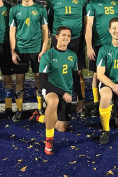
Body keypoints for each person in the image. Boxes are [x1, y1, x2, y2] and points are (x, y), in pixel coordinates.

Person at [29, 26, 81, 155]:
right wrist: (62, 93)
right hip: (51, 90)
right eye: (63, 35)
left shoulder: (72, 56)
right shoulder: (48, 55)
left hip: (66, 92)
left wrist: (81, 98)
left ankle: (39, 117)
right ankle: (49, 140)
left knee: (61, 128)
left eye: (69, 36)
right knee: (53, 100)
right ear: (56, 37)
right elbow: (43, 82)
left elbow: (76, 79)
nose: (66, 38)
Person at [47, 0, 88, 116]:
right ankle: (58, 100)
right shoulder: (53, 1)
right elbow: (50, 20)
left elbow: (85, 20)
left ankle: (80, 101)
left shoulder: (81, 0)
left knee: (78, 72)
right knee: (56, 72)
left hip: (76, 40)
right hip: (58, 41)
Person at [9, 0, 49, 122]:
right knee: (20, 80)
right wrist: (13, 51)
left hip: (37, 50)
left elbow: (45, 31)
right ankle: (19, 110)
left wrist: (44, 49)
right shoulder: (14, 10)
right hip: (21, 50)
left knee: (39, 79)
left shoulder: (40, 9)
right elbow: (12, 32)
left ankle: (40, 108)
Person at [85, 0, 118, 116]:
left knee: (116, 71)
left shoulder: (117, 2)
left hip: (116, 44)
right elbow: (88, 26)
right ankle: (97, 103)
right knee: (96, 74)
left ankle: (115, 101)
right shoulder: (92, 3)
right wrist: (89, 46)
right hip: (98, 44)